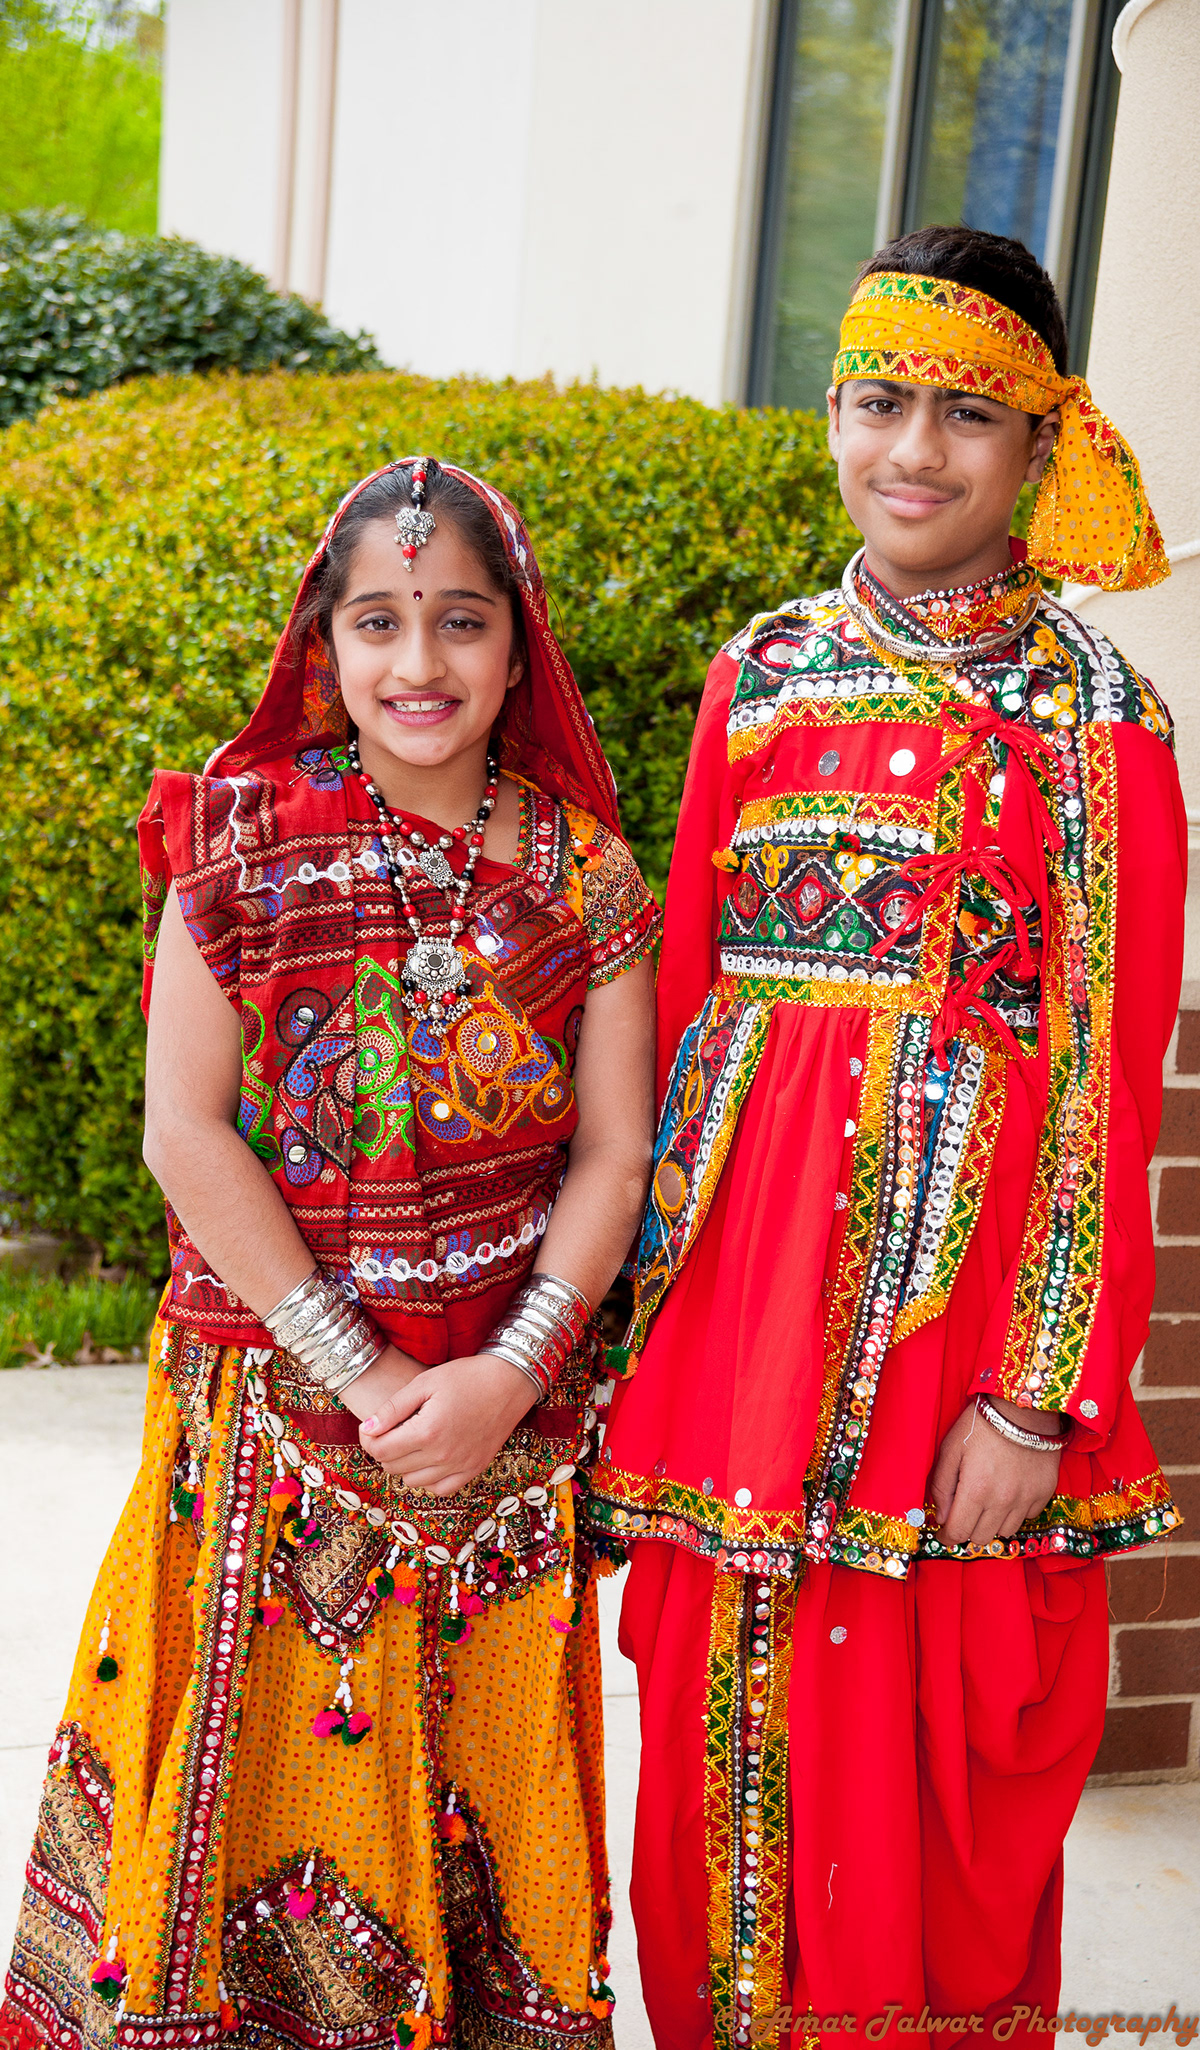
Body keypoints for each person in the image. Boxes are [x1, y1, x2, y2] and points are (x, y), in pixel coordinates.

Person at [592, 227, 1186, 2044]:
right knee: (716, 1749)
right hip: (735, 1334)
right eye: (875, 402)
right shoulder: (756, 674)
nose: (910, 451)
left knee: (929, 1780)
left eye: (961, 414)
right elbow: (687, 1012)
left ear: (1037, 450)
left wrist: (1037, 1394)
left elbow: (1106, 1071)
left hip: (956, 1358)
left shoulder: (1096, 720)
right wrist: (622, 1329)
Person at [1, 458, 659, 2050]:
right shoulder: (234, 844)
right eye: (379, 621)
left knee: (482, 1827)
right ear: (325, 639)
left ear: (520, 648)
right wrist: (362, 1369)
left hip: (503, 1440)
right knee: (243, 1832)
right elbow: (188, 1131)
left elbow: (615, 1149)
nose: (418, 665)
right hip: (269, 1429)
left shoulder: (587, 873)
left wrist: (509, 1374)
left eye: (460, 622)